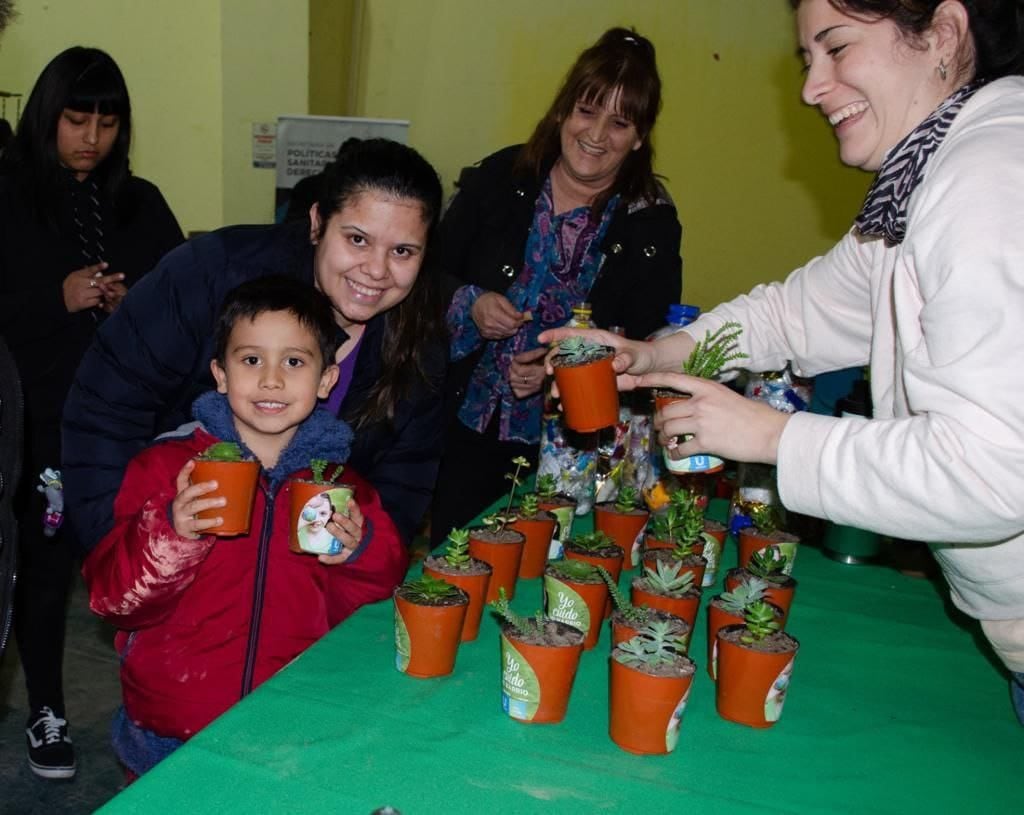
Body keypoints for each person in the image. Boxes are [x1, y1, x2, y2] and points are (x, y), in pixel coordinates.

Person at [543, 0, 1024, 723]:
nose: (811, 87)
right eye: (808, 61)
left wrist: (769, 436)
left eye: (836, 48)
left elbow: (993, 466)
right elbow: (794, 313)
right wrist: (655, 350)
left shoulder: (986, 181)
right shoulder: (927, 177)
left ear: (944, 36)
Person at [63, 137, 446, 560]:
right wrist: (120, 550)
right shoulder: (214, 274)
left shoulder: (418, 345)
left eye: (403, 251)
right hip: (176, 564)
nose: (376, 270)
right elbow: (106, 410)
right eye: (357, 239)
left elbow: (402, 486)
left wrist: (363, 559)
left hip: (304, 597)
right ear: (317, 222)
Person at [83, 277, 406, 777]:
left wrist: (359, 553)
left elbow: (365, 616)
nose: (271, 380)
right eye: (251, 360)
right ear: (220, 373)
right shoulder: (167, 470)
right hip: (171, 729)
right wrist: (171, 533)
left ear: (326, 380)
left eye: (294, 362)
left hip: (292, 730)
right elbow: (112, 598)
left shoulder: (345, 488)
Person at [0, 46, 183, 779]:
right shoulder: (8, 195)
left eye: (107, 122)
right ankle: (46, 705)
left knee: (144, 568)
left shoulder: (138, 200)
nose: (91, 137)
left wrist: (127, 298)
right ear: (47, 116)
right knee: (45, 574)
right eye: (77, 119)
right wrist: (59, 297)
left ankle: (159, 706)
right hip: (37, 421)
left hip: (126, 425)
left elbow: (185, 301)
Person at [429, 27, 682, 545]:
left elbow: (648, 339)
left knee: (549, 577)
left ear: (639, 137)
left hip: (573, 450)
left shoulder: (650, 221)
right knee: (454, 560)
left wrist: (556, 376)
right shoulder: (500, 177)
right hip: (463, 421)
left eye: (620, 122)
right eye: (587, 111)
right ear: (562, 112)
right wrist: (471, 305)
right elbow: (424, 275)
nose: (596, 135)